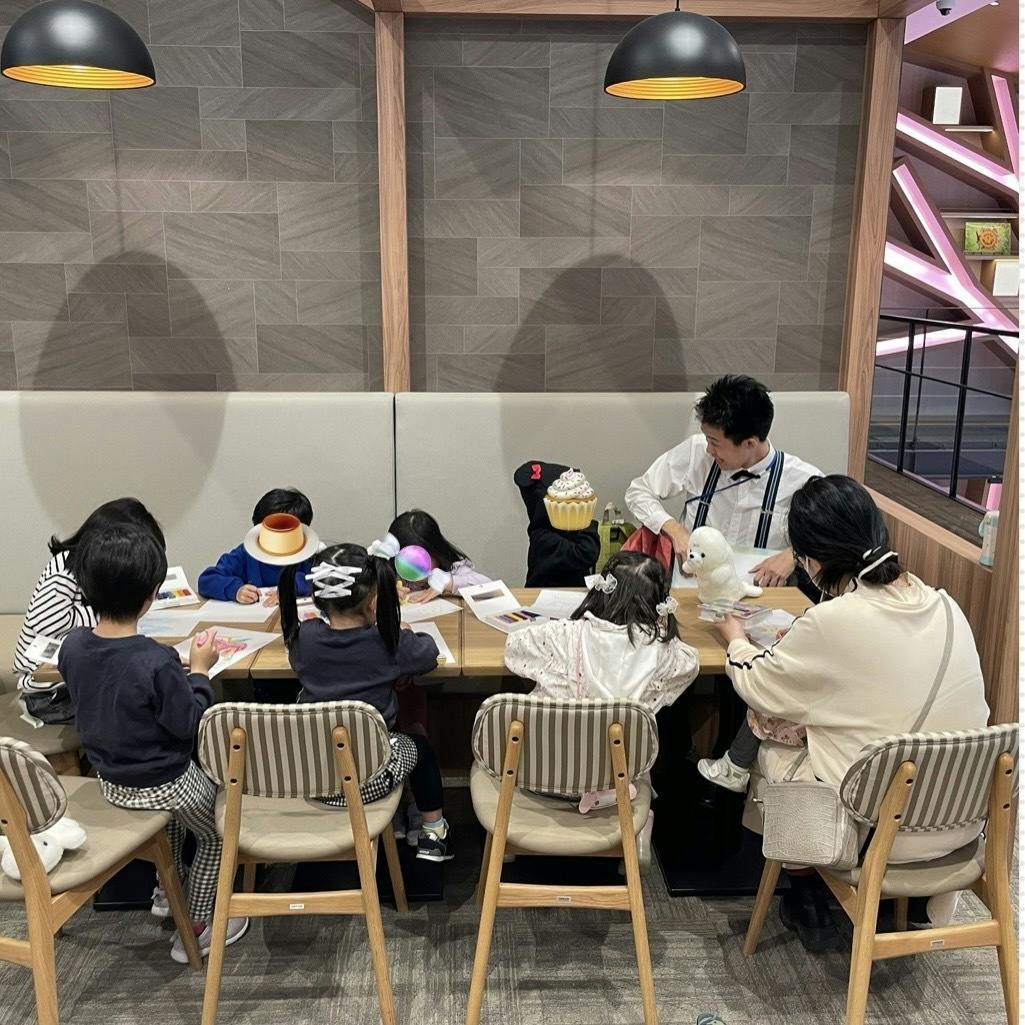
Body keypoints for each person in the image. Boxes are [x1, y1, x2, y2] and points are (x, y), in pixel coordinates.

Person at [713, 475, 990, 951]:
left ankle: (803, 887)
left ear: (812, 560)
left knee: (771, 737)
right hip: (963, 826)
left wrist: (735, 638)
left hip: (878, 835)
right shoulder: (947, 606)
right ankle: (898, 904)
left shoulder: (833, 619)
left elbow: (760, 685)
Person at [56, 525, 249, 964]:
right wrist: (198, 672)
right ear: (151, 595)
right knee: (218, 832)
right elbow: (187, 724)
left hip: (111, 780)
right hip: (166, 780)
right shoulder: (155, 660)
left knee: (173, 826)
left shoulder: (73, 647)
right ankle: (196, 926)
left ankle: (167, 892)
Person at [278, 542, 454, 863]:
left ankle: (399, 820)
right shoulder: (387, 642)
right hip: (370, 780)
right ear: (374, 602)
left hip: (313, 777)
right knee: (420, 746)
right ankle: (434, 830)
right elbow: (428, 654)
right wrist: (405, 632)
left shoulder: (304, 639)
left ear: (318, 599)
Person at [625, 375, 821, 588]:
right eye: (707, 439)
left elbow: (837, 535)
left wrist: (794, 555)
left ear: (750, 444)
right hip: (689, 591)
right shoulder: (696, 452)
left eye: (715, 443)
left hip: (763, 596)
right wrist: (674, 529)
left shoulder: (802, 479)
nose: (708, 449)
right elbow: (638, 492)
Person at [13, 498, 165, 718]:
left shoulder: (93, 571)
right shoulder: (66, 567)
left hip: (75, 679)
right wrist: (110, 611)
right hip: (48, 691)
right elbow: (48, 621)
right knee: (138, 707)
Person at [504, 550, 699, 711]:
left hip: (555, 745)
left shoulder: (561, 635)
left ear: (601, 591)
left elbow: (513, 646)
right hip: (622, 747)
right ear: (659, 603)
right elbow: (691, 663)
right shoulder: (663, 652)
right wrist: (661, 624)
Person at [198, 487, 315, 606]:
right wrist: (235, 590)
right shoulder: (245, 553)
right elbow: (207, 580)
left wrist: (293, 586)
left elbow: (322, 580)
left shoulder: (309, 554)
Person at [513, 459, 601, 587]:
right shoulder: (543, 538)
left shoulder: (567, 530)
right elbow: (587, 553)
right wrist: (585, 521)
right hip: (544, 597)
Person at [386, 509, 490, 604]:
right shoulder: (393, 574)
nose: (415, 569)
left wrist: (448, 583)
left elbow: (489, 588)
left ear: (436, 552)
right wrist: (384, 592)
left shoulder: (452, 570)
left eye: (420, 561)